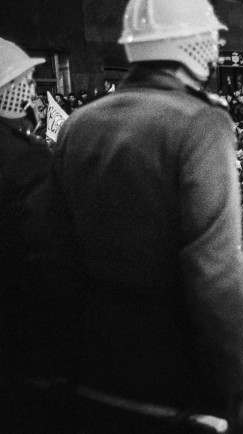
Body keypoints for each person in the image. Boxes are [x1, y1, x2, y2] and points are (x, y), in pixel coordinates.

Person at [52, 1, 243, 431]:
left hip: (93, 362)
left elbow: (57, 251)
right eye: (209, 39)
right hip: (172, 376)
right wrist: (231, 391)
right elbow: (215, 275)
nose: (215, 52)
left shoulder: (77, 123)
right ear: (191, 44)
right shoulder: (201, 123)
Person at [0, 37, 84, 433]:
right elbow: (48, 256)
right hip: (26, 340)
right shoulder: (23, 159)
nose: (31, 88)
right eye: (25, 79)